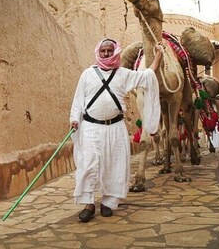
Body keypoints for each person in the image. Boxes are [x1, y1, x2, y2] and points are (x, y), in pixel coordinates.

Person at [69, 38, 163, 222]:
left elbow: (148, 75)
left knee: (114, 165)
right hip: (90, 128)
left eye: (109, 51)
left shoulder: (124, 74)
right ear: (98, 52)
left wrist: (159, 53)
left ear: (115, 52)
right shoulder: (87, 74)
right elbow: (78, 100)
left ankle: (108, 203)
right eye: (103, 51)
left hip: (115, 128)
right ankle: (88, 204)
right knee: (89, 164)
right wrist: (74, 119)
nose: (106, 54)